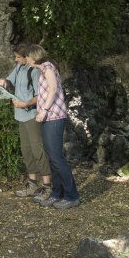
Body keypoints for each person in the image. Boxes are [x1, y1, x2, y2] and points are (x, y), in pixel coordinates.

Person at [25, 44, 80, 209]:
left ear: (34, 56)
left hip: (54, 117)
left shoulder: (48, 68)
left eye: (27, 56)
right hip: (47, 118)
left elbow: (54, 89)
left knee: (57, 158)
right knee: (52, 158)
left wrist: (44, 110)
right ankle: (57, 193)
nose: (26, 59)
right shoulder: (42, 70)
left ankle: (72, 197)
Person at [0, 43, 52, 198]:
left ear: (27, 57)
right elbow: (10, 81)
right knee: (26, 151)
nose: (16, 59)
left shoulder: (34, 72)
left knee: (37, 150)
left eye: (18, 57)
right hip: (20, 115)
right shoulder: (19, 68)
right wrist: (3, 82)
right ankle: (32, 184)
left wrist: (26, 103)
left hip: (32, 115)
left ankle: (47, 186)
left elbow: (40, 96)